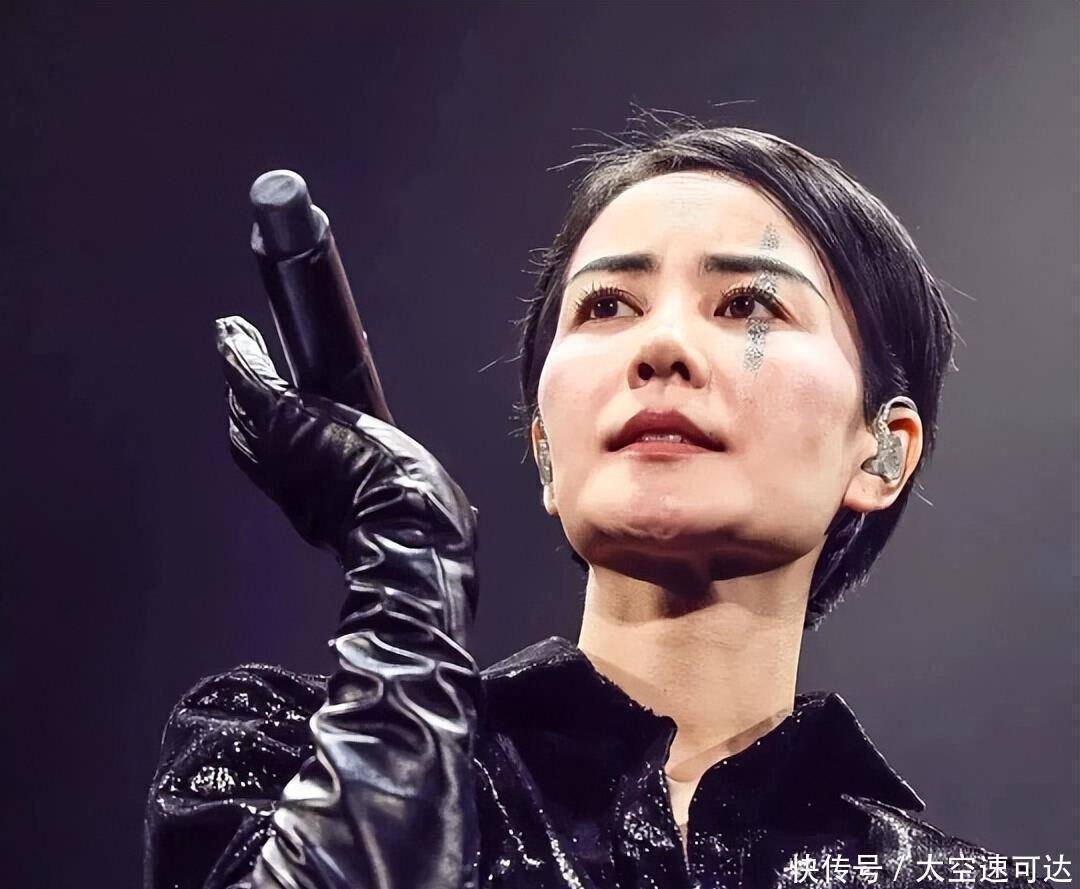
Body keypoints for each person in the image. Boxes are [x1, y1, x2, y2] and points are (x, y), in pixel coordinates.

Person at [144, 119, 1048, 889]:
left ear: (883, 449)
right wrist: (409, 549)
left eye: (747, 303)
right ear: (545, 448)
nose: (661, 345)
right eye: (608, 304)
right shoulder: (283, 754)